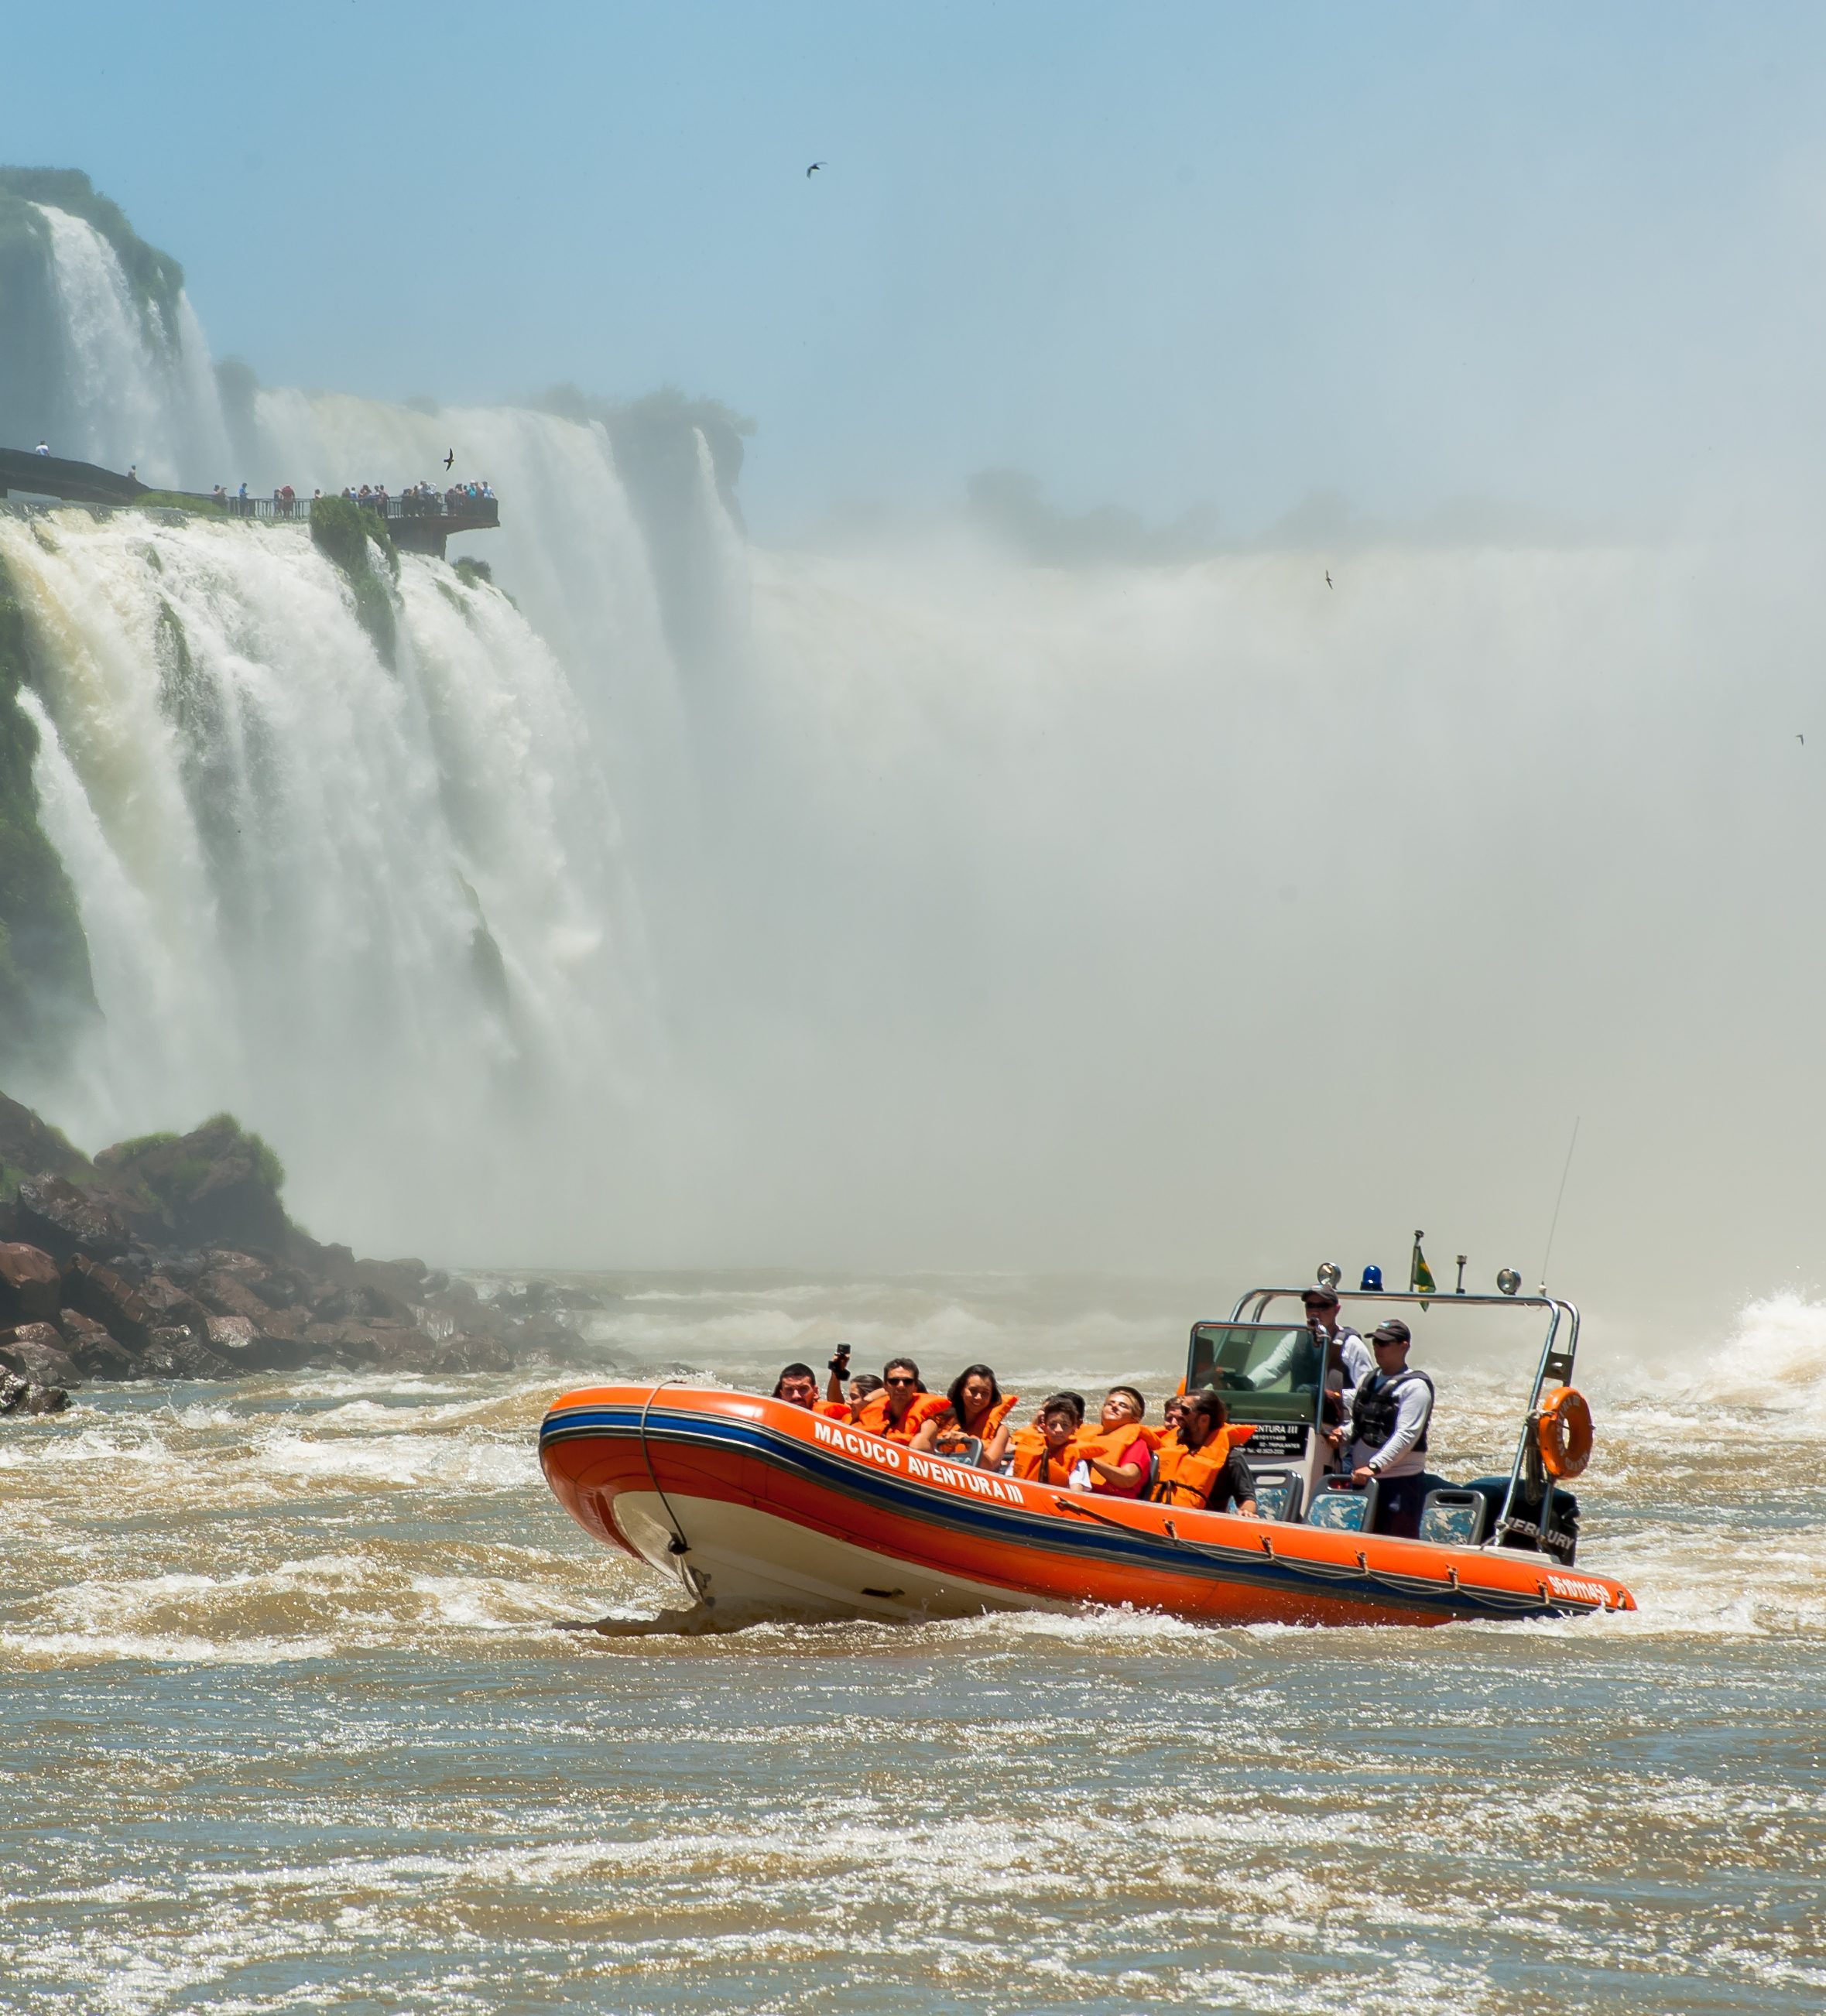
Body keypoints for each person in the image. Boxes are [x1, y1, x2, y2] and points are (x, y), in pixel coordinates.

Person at [1346, 1320, 1436, 1539]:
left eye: (1384, 1343)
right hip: (1363, 1482)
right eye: (1376, 1342)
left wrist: (1374, 1466)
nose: (1377, 1348)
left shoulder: (1415, 1387)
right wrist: (1344, 1433)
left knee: (1395, 1544)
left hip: (1399, 1485)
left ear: (1404, 1347)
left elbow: (1407, 1435)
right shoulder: (1369, 1380)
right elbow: (1361, 1423)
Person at [1149, 1388, 1258, 1517]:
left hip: (1201, 1523)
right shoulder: (1166, 1445)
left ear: (1204, 1420)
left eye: (1185, 1410)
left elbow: (1248, 1499)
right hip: (1155, 1516)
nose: (1180, 1416)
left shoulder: (1232, 1458)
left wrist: (1247, 1511)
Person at [911, 1363, 1019, 1467]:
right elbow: (917, 1448)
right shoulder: (939, 1419)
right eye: (973, 1391)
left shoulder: (1000, 1431)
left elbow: (990, 1466)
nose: (978, 1397)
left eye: (985, 1393)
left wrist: (969, 1443)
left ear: (991, 1396)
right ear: (962, 1391)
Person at [1073, 1385, 1156, 1497]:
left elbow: (1128, 1478)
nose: (1114, 1407)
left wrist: (1091, 1460)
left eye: (1123, 1406)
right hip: (1078, 1492)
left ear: (1135, 1418)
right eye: (1110, 1403)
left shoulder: (1138, 1444)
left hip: (1111, 1501)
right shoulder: (1083, 1434)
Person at [855, 1357, 948, 1443]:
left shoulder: (927, 1424)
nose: (901, 1386)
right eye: (894, 1381)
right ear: (885, 1387)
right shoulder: (870, 1415)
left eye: (908, 1381)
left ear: (915, 1387)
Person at [1010, 1395, 1084, 1484]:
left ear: (1073, 1428)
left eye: (1065, 1425)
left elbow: (1076, 1491)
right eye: (1052, 1424)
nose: (1058, 1430)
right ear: (1044, 1427)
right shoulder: (1028, 1448)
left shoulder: (1078, 1462)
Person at [772, 1361, 850, 1420]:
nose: (796, 1395)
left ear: (815, 1392)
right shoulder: (770, 1416)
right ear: (782, 1394)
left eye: (803, 1389)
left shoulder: (828, 1416)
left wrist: (835, 1374)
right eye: (789, 1390)